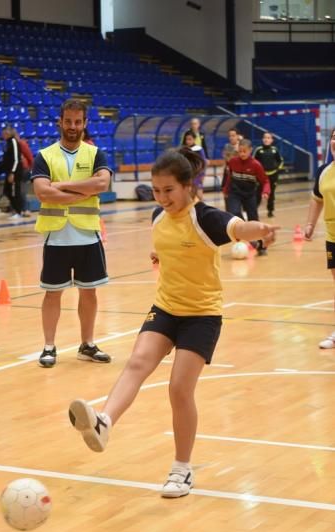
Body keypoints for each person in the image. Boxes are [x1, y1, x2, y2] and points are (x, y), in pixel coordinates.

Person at [68, 148, 277, 497]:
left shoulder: (205, 218)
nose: (162, 197)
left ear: (187, 187)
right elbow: (168, 245)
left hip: (202, 315)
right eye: (156, 190)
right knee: (136, 363)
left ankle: (182, 469)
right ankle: (103, 422)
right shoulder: (157, 216)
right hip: (166, 307)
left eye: (169, 190)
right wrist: (159, 254)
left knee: (179, 389)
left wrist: (261, 229)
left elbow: (239, 228)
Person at [31, 98, 112, 368]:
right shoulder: (45, 155)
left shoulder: (95, 153)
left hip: (88, 236)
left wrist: (63, 187)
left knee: (89, 293)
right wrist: (82, 192)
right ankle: (49, 347)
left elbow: (102, 183)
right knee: (53, 293)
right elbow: (42, 191)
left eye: (78, 121)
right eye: (68, 121)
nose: (73, 126)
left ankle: (87, 344)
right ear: (60, 122)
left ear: (85, 123)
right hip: (56, 237)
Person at [304, 127, 335, 349]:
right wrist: (310, 225)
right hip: (333, 237)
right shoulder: (324, 171)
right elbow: (317, 199)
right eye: (333, 137)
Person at [224, 139, 270, 255]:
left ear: (250, 150)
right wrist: (225, 189)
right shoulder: (233, 162)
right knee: (233, 213)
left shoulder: (256, 165)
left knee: (254, 219)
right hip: (235, 193)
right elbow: (229, 177)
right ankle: (246, 232)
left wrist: (265, 191)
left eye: (244, 151)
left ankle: (261, 246)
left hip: (250, 195)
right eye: (240, 151)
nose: (242, 154)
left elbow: (265, 181)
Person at [253, 132, 283, 218]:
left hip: (273, 175)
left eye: (269, 138)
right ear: (262, 139)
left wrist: (277, 169)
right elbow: (253, 162)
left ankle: (270, 211)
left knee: (271, 194)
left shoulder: (275, 150)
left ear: (272, 140)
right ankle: (254, 210)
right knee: (258, 193)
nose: (266, 139)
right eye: (265, 138)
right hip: (261, 176)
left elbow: (280, 160)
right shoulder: (258, 150)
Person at [1, 125, 24, 220]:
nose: (2, 135)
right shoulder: (7, 143)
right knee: (7, 191)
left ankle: (18, 212)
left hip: (14, 172)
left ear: (8, 133)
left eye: (3, 133)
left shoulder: (13, 141)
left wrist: (12, 173)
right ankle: (15, 210)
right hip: (9, 172)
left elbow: (16, 159)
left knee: (15, 192)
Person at [11, 127, 33, 217]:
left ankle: (26, 209)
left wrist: (31, 169)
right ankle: (19, 210)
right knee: (17, 191)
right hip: (16, 171)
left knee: (22, 191)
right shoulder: (11, 146)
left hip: (23, 170)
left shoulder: (21, 144)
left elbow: (30, 157)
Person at [183, 130, 206, 200]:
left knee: (199, 196)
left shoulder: (199, 149)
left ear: (194, 139)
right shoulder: (184, 150)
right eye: (187, 139)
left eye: (190, 139)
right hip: (187, 176)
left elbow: (203, 162)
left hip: (197, 175)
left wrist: (202, 174)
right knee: (189, 197)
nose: (188, 141)